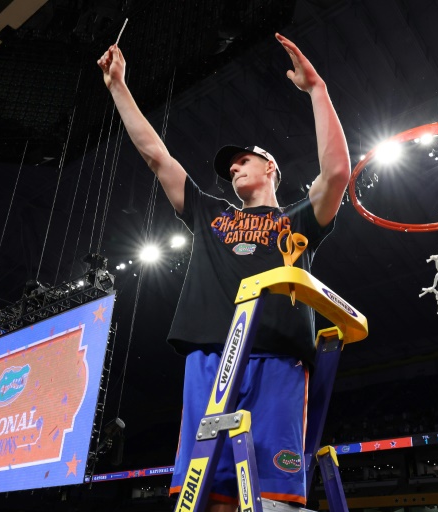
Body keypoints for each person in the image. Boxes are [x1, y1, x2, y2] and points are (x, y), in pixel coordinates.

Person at [98, 32, 350, 511]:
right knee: (208, 495)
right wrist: (118, 88)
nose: (234, 169)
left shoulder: (297, 219)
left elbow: (337, 173)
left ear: (271, 168)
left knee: (274, 498)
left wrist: (317, 90)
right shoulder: (210, 214)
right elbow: (156, 155)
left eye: (244, 161)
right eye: (230, 167)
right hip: (211, 361)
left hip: (277, 359)